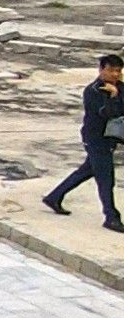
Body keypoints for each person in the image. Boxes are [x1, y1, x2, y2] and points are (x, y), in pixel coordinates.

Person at [46, 52, 124, 230]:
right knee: (106, 179)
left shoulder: (120, 87)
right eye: (111, 70)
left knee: (86, 171)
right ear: (101, 69)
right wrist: (113, 97)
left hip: (111, 138)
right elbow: (107, 113)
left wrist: (117, 95)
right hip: (96, 139)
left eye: (118, 71)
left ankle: (54, 197)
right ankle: (111, 217)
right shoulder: (93, 91)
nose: (114, 74)